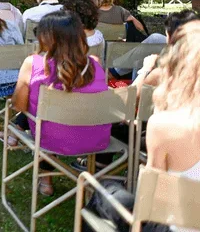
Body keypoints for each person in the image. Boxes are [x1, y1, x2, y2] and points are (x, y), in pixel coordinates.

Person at [84, 21, 200, 231]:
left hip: (177, 223)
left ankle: (100, 169)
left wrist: (145, 69)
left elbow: (152, 201)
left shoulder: (167, 126)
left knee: (105, 191)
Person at [8, 10, 110, 196]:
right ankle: (93, 180)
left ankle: (46, 181)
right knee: (52, 120)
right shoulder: (95, 63)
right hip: (94, 137)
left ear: (47, 38)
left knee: (45, 122)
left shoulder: (33, 63)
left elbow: (20, 106)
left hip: (52, 138)